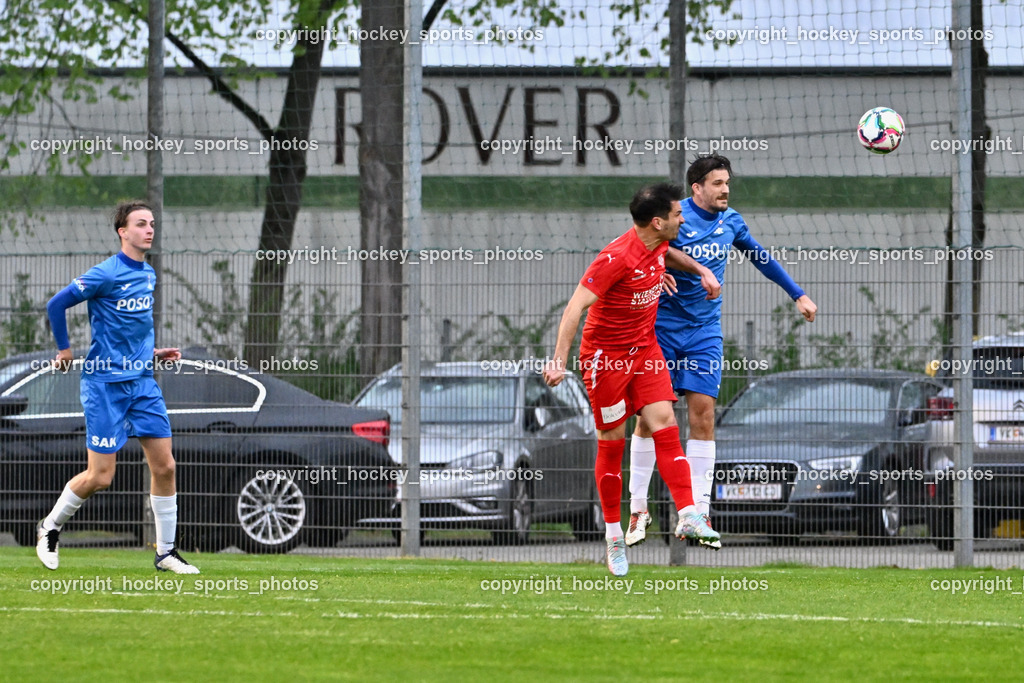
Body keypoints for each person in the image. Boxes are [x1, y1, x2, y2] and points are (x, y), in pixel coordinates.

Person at [625, 154, 817, 550]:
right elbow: (645, 245)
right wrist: (670, 268)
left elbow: (760, 257)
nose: (725, 189)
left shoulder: (733, 222)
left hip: (704, 334)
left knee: (704, 416)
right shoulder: (676, 217)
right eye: (716, 183)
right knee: (650, 419)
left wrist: (798, 294)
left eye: (727, 182)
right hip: (660, 330)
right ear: (697, 188)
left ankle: (697, 511)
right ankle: (639, 507)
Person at [543, 182, 720, 577]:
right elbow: (574, 309)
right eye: (677, 214)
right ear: (657, 221)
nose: (683, 218)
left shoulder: (656, 243)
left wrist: (699, 269)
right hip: (606, 360)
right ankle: (612, 537)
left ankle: (688, 512)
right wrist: (558, 361)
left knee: (665, 423)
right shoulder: (615, 258)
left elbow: (665, 254)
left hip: (645, 351)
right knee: (612, 442)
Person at [37, 200, 200, 574]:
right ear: (122, 232)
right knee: (101, 477)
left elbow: (131, 328)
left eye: (152, 223)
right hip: (104, 385)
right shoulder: (105, 274)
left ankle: (166, 553)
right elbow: (56, 304)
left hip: (142, 382)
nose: (149, 229)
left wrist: (152, 353)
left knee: (165, 467)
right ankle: (50, 527)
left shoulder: (148, 274)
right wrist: (64, 350)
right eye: (141, 224)